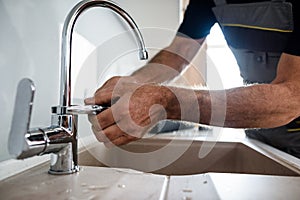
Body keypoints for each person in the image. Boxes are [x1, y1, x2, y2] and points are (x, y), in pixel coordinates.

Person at [85, 0, 300, 158]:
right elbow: (178, 51)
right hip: (261, 138)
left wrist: (165, 102)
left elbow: (292, 98)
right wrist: (132, 84)